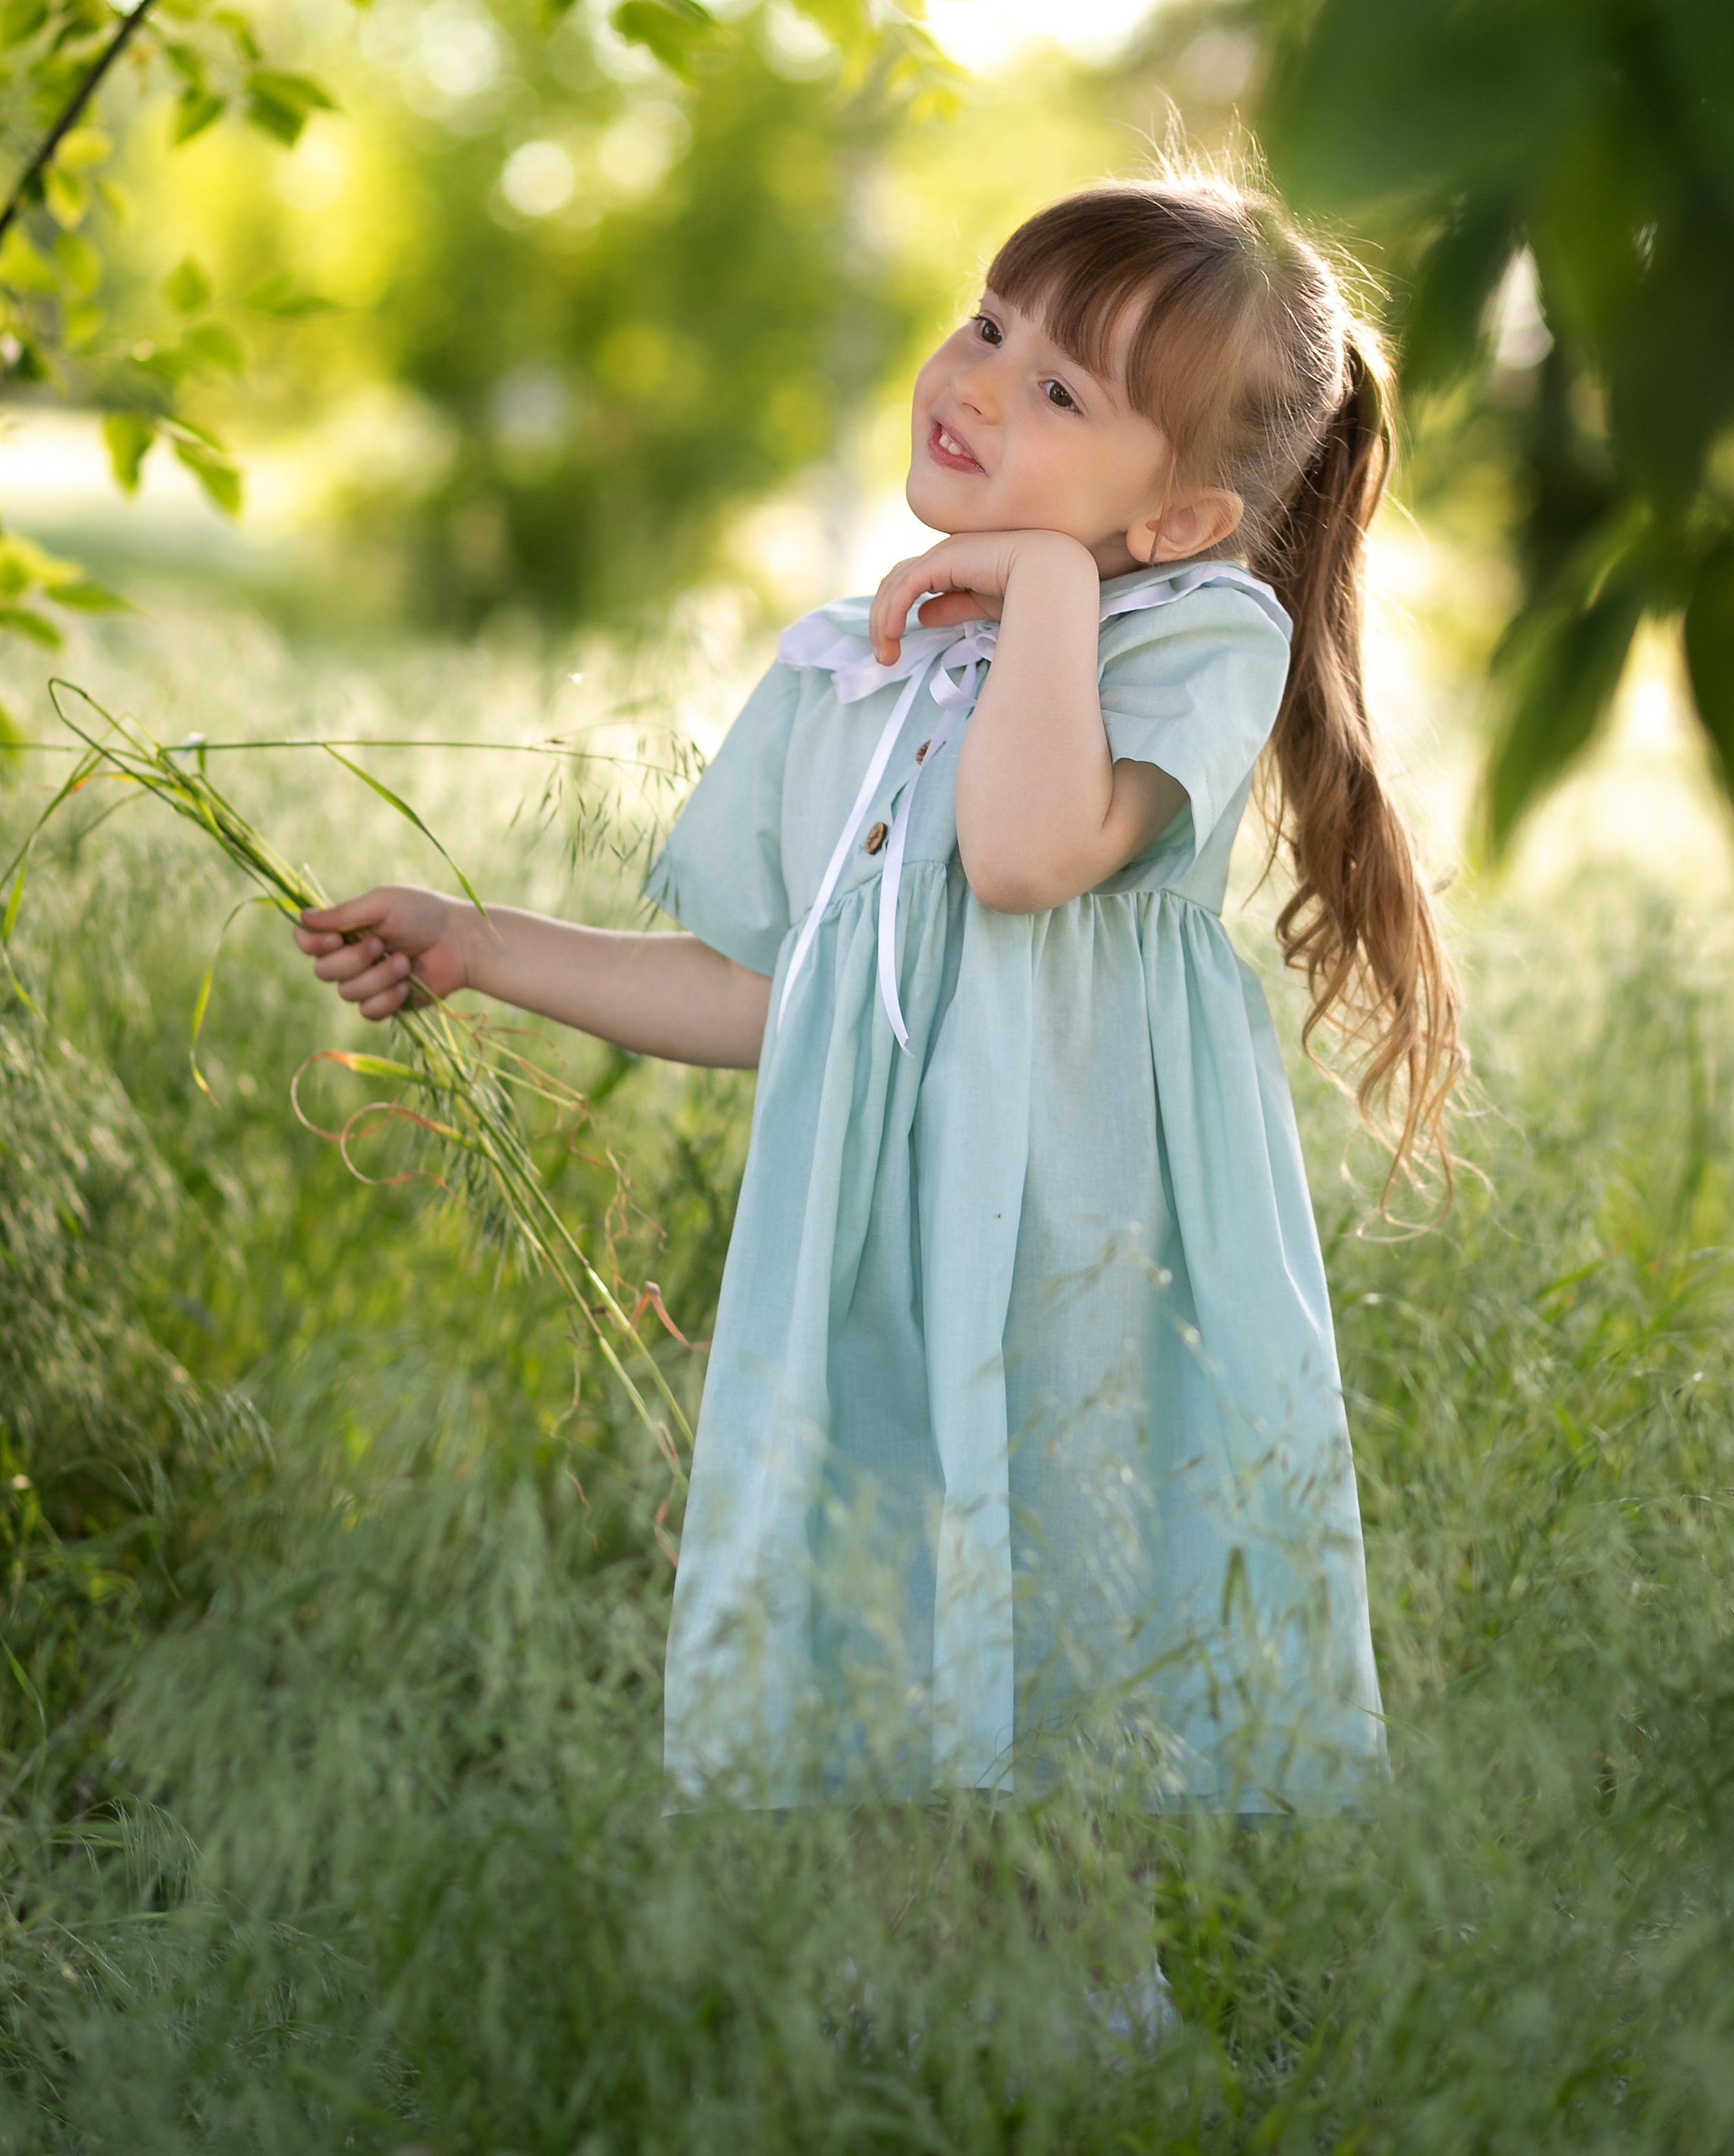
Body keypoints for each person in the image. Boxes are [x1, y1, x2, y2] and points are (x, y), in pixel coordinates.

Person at [295, 171, 1464, 1816]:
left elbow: (1024, 854)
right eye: (988, 324)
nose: (977, 382)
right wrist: (485, 947)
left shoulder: (1194, 637)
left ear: (1181, 515)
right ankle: (896, 1967)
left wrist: (1049, 589)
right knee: (883, 1584)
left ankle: (1076, 1967)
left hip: (1077, 1233)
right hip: (882, 1232)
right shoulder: (850, 658)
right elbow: (779, 994)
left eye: (1059, 389)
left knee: (1071, 1564)